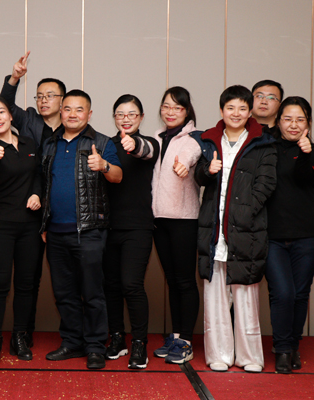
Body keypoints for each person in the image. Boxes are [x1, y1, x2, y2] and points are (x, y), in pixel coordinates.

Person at [194, 85, 277, 373]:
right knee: (215, 297)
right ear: (221, 110)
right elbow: (198, 176)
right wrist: (207, 171)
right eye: (231, 108)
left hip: (246, 229)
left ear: (249, 111)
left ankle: (250, 357)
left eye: (242, 108)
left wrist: (243, 212)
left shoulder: (262, 143)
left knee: (246, 297)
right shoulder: (209, 140)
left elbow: (266, 184)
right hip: (213, 228)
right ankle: (219, 354)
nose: (236, 113)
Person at [41, 89, 123, 370]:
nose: (72, 114)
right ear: (60, 112)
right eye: (67, 109)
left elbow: (118, 176)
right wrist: (44, 223)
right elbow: (44, 184)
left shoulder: (101, 142)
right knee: (64, 293)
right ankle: (72, 342)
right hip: (55, 232)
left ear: (89, 114)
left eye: (79, 109)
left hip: (89, 231)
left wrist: (104, 165)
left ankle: (96, 346)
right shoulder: (50, 144)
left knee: (92, 292)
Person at [0, 51, 66, 345]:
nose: (43, 100)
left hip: (61, 208)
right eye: (39, 96)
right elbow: (4, 106)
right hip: (29, 206)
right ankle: (23, 333)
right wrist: (14, 78)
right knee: (28, 277)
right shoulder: (28, 119)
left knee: (62, 277)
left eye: (50, 96)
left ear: (63, 101)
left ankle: (71, 335)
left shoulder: (71, 127)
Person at [0, 96, 43, 365]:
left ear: (11, 115)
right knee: (0, 285)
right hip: (0, 225)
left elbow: (38, 174)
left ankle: (19, 337)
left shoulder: (28, 143)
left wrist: (37, 193)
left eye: (1, 111)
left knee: (26, 286)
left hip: (29, 226)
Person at [264, 97, 314, 374]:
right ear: (278, 121)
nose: (293, 125)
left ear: (308, 124)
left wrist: (305, 151)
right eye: (288, 119)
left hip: (308, 235)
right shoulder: (267, 148)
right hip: (272, 236)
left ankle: (292, 346)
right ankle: (282, 349)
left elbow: (303, 178)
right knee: (283, 293)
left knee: (300, 294)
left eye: (300, 119)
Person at [103, 94, 158, 369]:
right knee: (110, 286)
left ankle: (139, 343)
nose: (126, 119)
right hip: (107, 226)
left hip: (138, 226)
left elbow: (143, 150)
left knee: (131, 285)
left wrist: (133, 143)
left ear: (141, 117)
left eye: (132, 114)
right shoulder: (106, 145)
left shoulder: (150, 144)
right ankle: (117, 338)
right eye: (120, 114)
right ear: (114, 117)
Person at [151, 87, 202, 365]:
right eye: (166, 106)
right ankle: (177, 335)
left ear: (187, 111)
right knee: (172, 281)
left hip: (184, 219)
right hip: (159, 219)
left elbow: (192, 157)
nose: (171, 112)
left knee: (184, 281)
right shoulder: (157, 138)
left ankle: (186, 341)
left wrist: (184, 167)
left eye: (177, 107)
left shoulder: (193, 139)